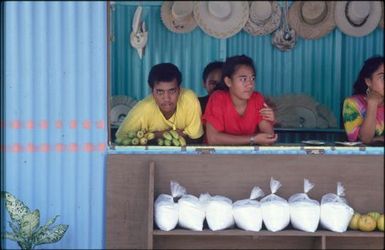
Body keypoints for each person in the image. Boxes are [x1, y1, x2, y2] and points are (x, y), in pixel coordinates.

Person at [115, 63, 204, 143]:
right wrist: (161, 135)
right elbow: (120, 137)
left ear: (179, 90)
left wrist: (148, 135)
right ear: (152, 92)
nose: (166, 98)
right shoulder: (144, 108)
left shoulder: (189, 100)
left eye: (172, 91)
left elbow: (196, 138)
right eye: (160, 92)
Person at [202, 55, 277, 146]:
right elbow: (213, 139)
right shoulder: (218, 99)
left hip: (247, 157)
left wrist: (270, 123)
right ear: (228, 82)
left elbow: (268, 139)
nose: (250, 85)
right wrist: (253, 139)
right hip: (218, 157)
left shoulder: (257, 99)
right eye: (243, 79)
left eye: (252, 78)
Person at [342, 55, 384, 144]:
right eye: (382, 78)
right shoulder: (353, 103)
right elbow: (365, 139)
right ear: (368, 81)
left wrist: (376, 139)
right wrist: (372, 104)